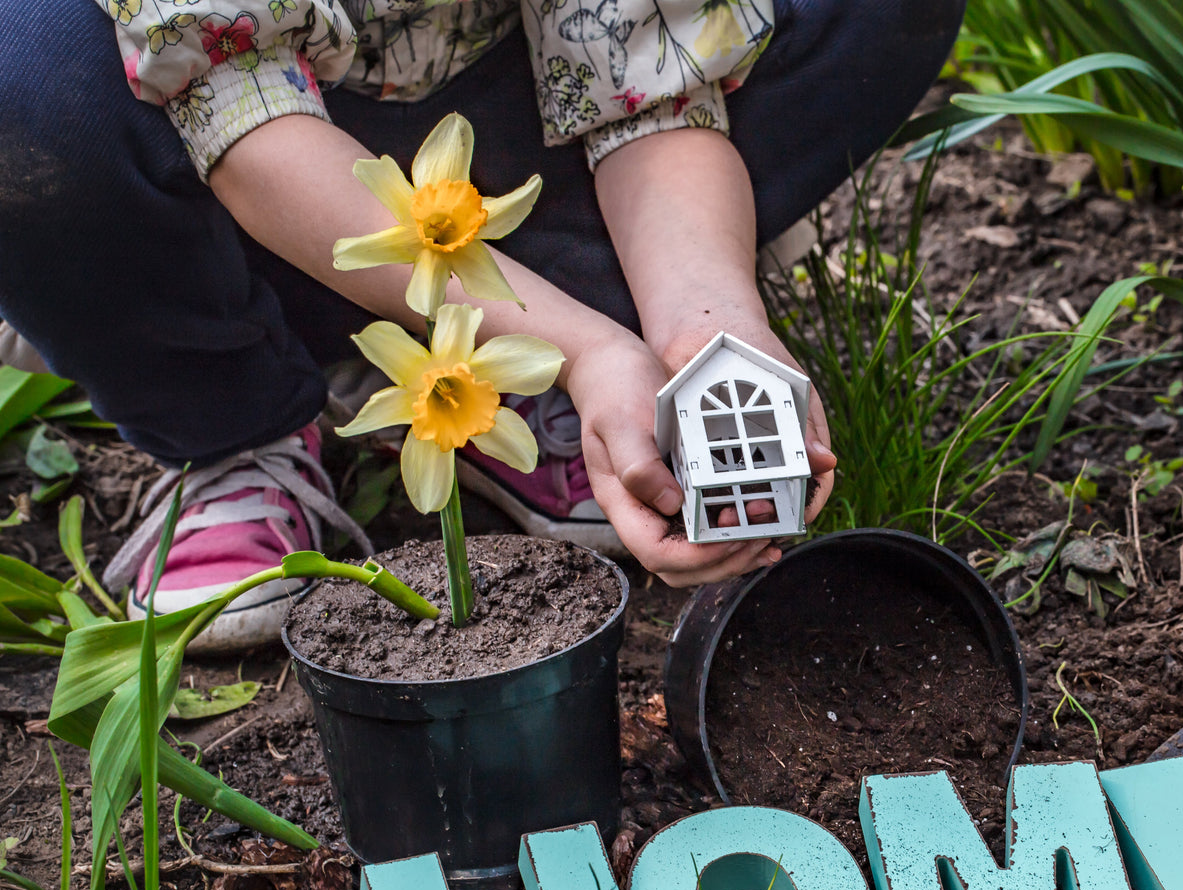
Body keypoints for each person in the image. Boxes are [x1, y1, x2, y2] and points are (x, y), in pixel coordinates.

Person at [0, 0, 965, 649]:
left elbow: (645, 79)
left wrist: (710, 334)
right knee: (20, 81)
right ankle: (229, 415)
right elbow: (236, 110)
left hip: (492, 105)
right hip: (227, 159)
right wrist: (583, 351)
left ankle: (527, 376)